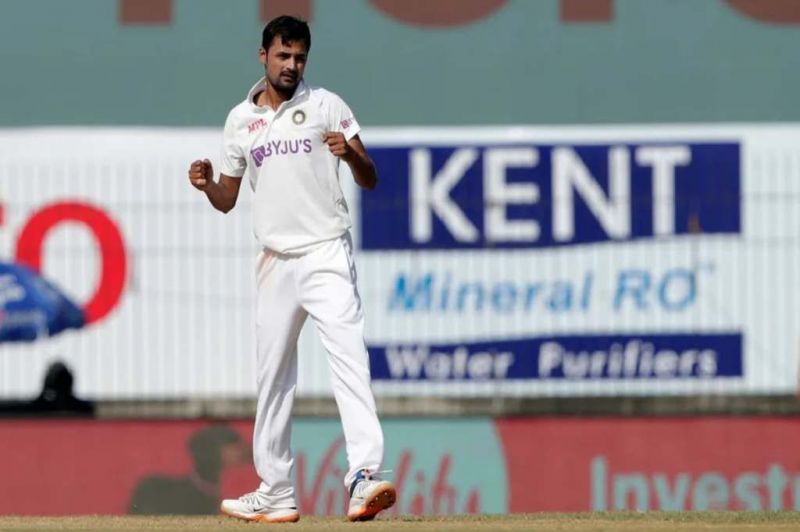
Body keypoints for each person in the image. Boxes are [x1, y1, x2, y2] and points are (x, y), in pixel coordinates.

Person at [187, 15, 395, 523]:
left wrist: (349, 156)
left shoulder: (327, 105)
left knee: (348, 359)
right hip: (275, 260)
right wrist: (207, 183)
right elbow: (227, 199)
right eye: (283, 56)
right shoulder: (241, 119)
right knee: (274, 376)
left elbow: (370, 178)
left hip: (326, 251)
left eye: (300, 57)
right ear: (263, 56)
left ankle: (364, 475)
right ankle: (276, 490)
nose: (292, 66)